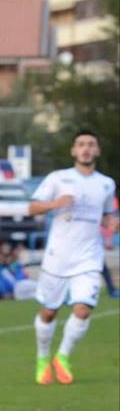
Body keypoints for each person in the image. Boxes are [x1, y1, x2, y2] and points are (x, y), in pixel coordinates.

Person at [27, 130, 117, 385]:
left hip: (89, 257)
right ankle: (43, 357)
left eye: (91, 144)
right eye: (81, 144)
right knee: (48, 312)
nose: (86, 148)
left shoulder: (106, 183)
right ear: (73, 151)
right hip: (58, 258)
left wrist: (112, 222)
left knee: (83, 309)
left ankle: (62, 357)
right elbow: (32, 207)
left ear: (97, 150)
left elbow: (107, 215)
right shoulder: (58, 178)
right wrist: (55, 204)